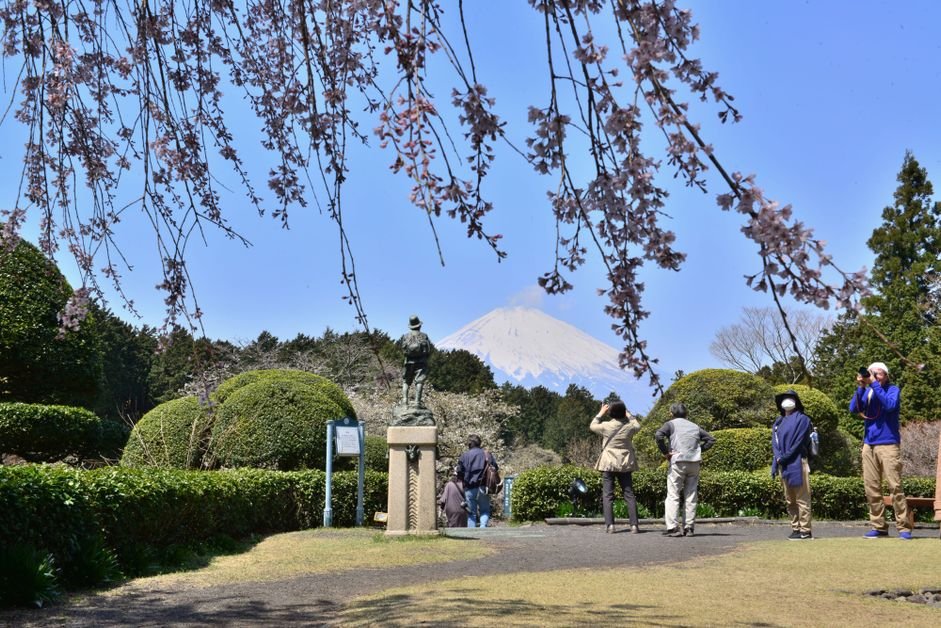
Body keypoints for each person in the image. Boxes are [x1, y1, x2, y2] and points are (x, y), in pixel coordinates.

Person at [849, 362, 912, 540]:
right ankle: (879, 526)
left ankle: (904, 527)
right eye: (872, 373)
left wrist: (874, 385)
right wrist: (862, 387)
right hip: (869, 444)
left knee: (895, 486)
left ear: (886, 375)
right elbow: (853, 409)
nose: (875, 376)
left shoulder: (893, 389)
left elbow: (890, 405)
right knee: (871, 486)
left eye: (879, 374)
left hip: (889, 443)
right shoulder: (868, 390)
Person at [654, 402, 716, 537]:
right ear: (686, 414)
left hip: (678, 462)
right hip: (694, 463)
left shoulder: (670, 424)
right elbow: (711, 440)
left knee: (673, 495)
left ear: (671, 413)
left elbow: (658, 436)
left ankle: (673, 528)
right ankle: (689, 528)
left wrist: (666, 453)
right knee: (691, 495)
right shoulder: (695, 426)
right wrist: (698, 450)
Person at [590, 400, 642, 534]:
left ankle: (610, 526)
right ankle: (634, 526)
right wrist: (629, 414)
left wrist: (601, 413)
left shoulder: (606, 426)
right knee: (629, 494)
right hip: (625, 463)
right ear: (624, 413)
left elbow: (592, 426)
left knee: (608, 495)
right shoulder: (630, 427)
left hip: (608, 463)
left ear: (610, 413)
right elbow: (637, 425)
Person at [771, 389, 814, 540]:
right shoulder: (778, 422)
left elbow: (799, 442)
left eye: (791, 398)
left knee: (802, 498)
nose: (787, 401)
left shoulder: (803, 419)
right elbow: (774, 443)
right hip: (783, 464)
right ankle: (796, 528)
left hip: (798, 461)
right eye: (785, 398)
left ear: (797, 402)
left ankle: (805, 530)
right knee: (790, 499)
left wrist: (783, 457)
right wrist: (779, 457)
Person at [456, 434, 498, 528]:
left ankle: (472, 533)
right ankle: (483, 528)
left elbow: (459, 472)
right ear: (479, 443)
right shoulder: (487, 454)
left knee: (471, 514)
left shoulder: (464, 456)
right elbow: (495, 468)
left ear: (469, 444)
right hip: (483, 487)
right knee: (485, 511)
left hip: (469, 488)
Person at [398, 315, 433, 407]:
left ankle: (405, 400)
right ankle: (417, 401)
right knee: (419, 381)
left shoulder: (406, 336)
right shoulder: (424, 336)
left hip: (408, 362)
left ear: (410, 326)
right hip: (421, 362)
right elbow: (428, 350)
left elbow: (403, 350)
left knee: (406, 381)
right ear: (419, 325)